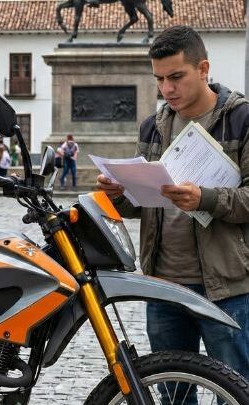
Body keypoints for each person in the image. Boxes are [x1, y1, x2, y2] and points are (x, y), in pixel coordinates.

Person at [96, 25, 249, 391]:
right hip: (163, 285)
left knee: (235, 388)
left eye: (176, 77)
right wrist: (120, 193)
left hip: (227, 287)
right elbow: (146, 204)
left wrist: (205, 198)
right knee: (172, 391)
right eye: (159, 79)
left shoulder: (241, 120)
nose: (167, 89)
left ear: (203, 69)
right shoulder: (153, 127)